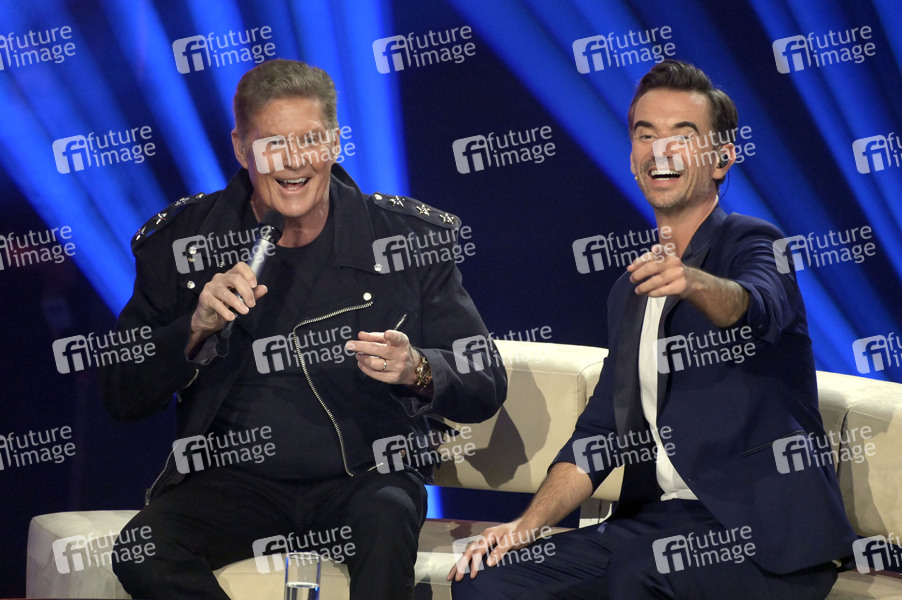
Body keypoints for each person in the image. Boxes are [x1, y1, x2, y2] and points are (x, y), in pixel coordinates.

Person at [449, 59, 856, 599]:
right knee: (489, 581)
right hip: (656, 524)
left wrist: (692, 281)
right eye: (646, 134)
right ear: (633, 159)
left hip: (763, 538)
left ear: (721, 159)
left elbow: (755, 306)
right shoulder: (631, 291)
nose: (660, 149)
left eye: (681, 135)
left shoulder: (754, 243)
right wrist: (525, 526)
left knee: (639, 575)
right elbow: (599, 436)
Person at [100, 59, 506, 600]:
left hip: (365, 475)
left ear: (334, 143)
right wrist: (194, 328)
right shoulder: (183, 244)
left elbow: (484, 380)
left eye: (310, 140)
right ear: (241, 149)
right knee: (142, 550)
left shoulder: (407, 240)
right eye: (272, 144)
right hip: (232, 483)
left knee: (387, 515)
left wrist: (418, 369)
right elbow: (121, 392)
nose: (293, 162)